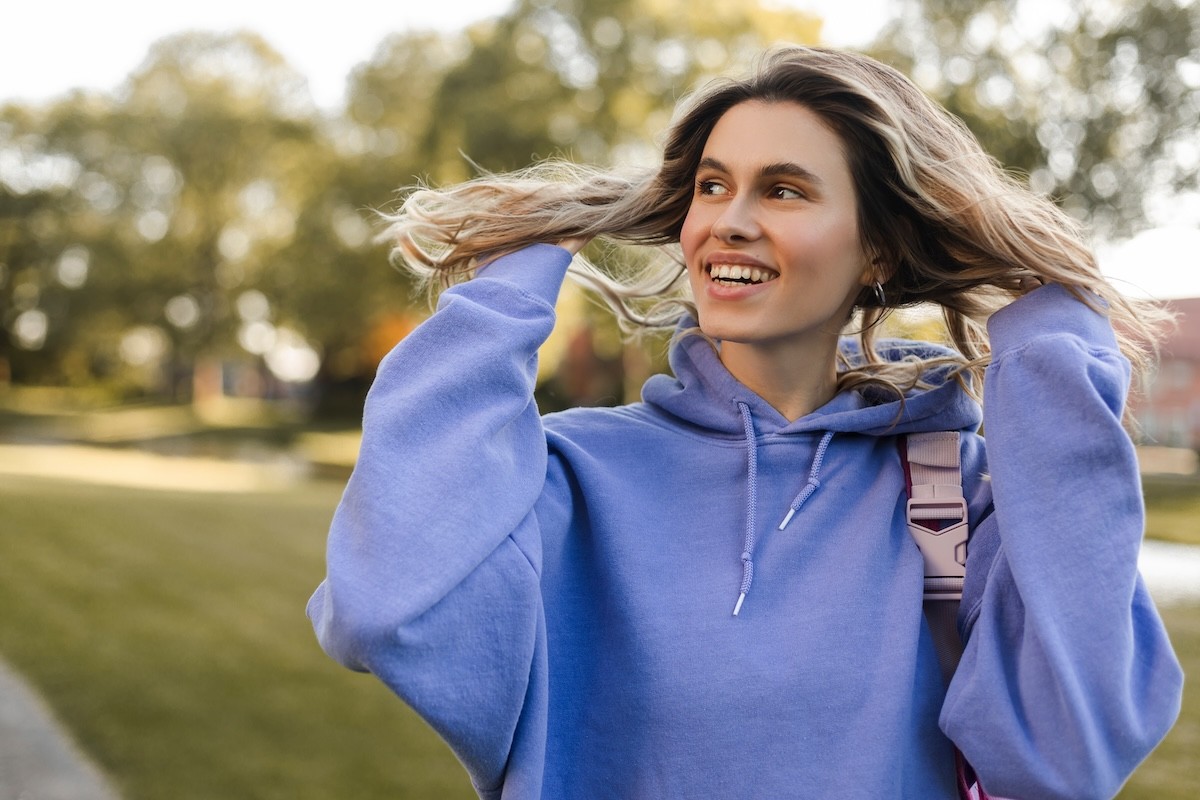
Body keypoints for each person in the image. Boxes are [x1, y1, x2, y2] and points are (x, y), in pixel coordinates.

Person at [307, 45, 1183, 799]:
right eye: (711, 186)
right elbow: (380, 613)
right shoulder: (569, 475)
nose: (729, 221)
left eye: (785, 190)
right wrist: (506, 296)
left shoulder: (955, 494)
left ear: (876, 248)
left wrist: (1047, 348)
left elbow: (1075, 754)